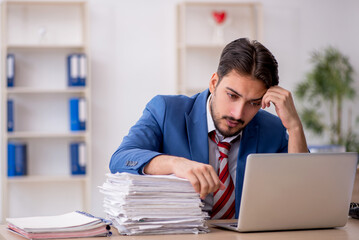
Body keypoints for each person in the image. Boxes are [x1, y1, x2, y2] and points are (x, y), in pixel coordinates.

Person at [109, 38, 308, 219]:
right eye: (232, 95)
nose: (238, 113)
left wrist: (295, 127)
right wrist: (176, 164)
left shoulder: (272, 129)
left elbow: (301, 193)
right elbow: (121, 159)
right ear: (214, 83)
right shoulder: (165, 111)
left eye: (253, 103)